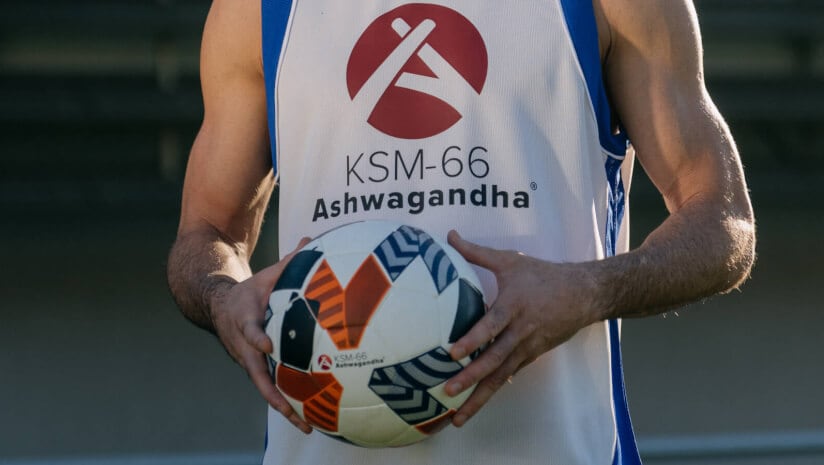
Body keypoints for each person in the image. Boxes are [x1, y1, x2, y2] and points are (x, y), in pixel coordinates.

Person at [167, 0, 755, 463]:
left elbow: (723, 222)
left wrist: (589, 290)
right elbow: (206, 232)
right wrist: (224, 299)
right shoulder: (257, 9)